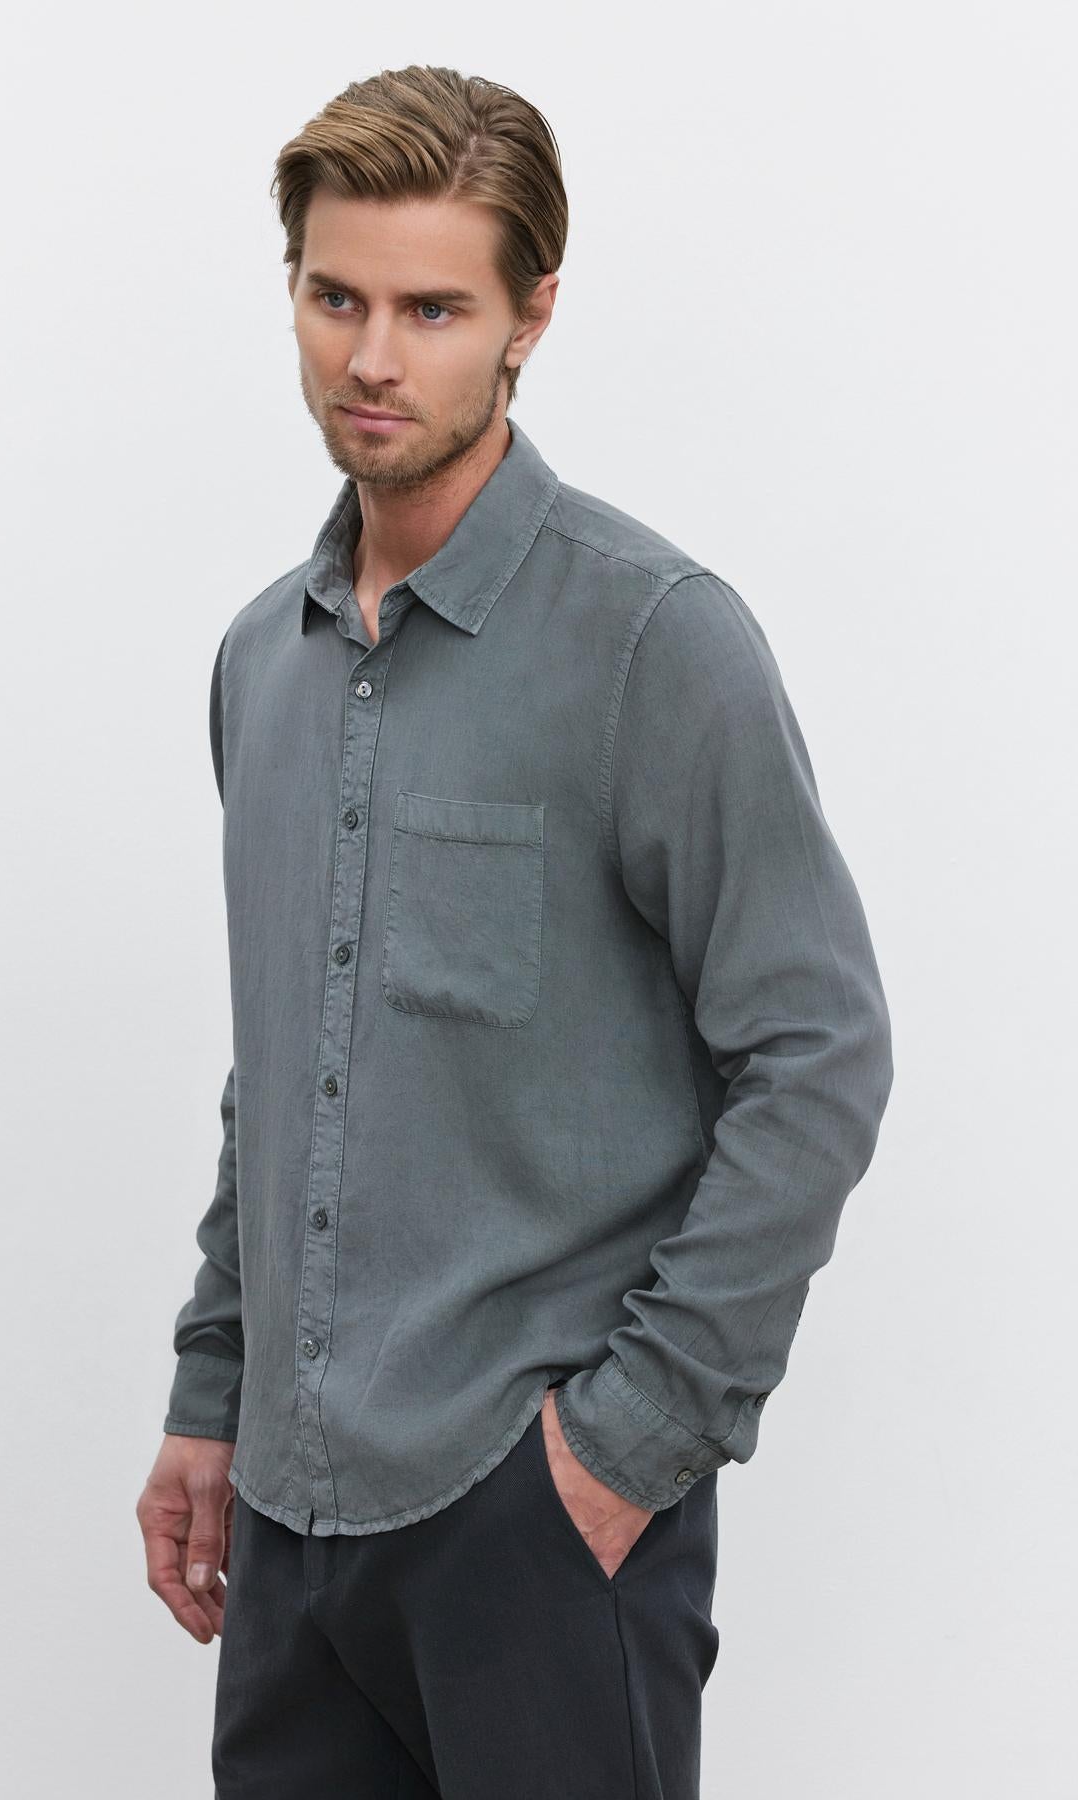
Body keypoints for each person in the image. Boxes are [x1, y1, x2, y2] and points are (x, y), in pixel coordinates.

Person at [136, 62, 894, 1800]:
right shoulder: (264, 661)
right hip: (290, 1509)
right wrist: (210, 1393)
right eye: (336, 298)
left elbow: (819, 1056)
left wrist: (625, 1452)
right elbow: (290, 1070)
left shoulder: (657, 644)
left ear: (533, 312)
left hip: (535, 1528)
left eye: (433, 306)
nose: (374, 359)